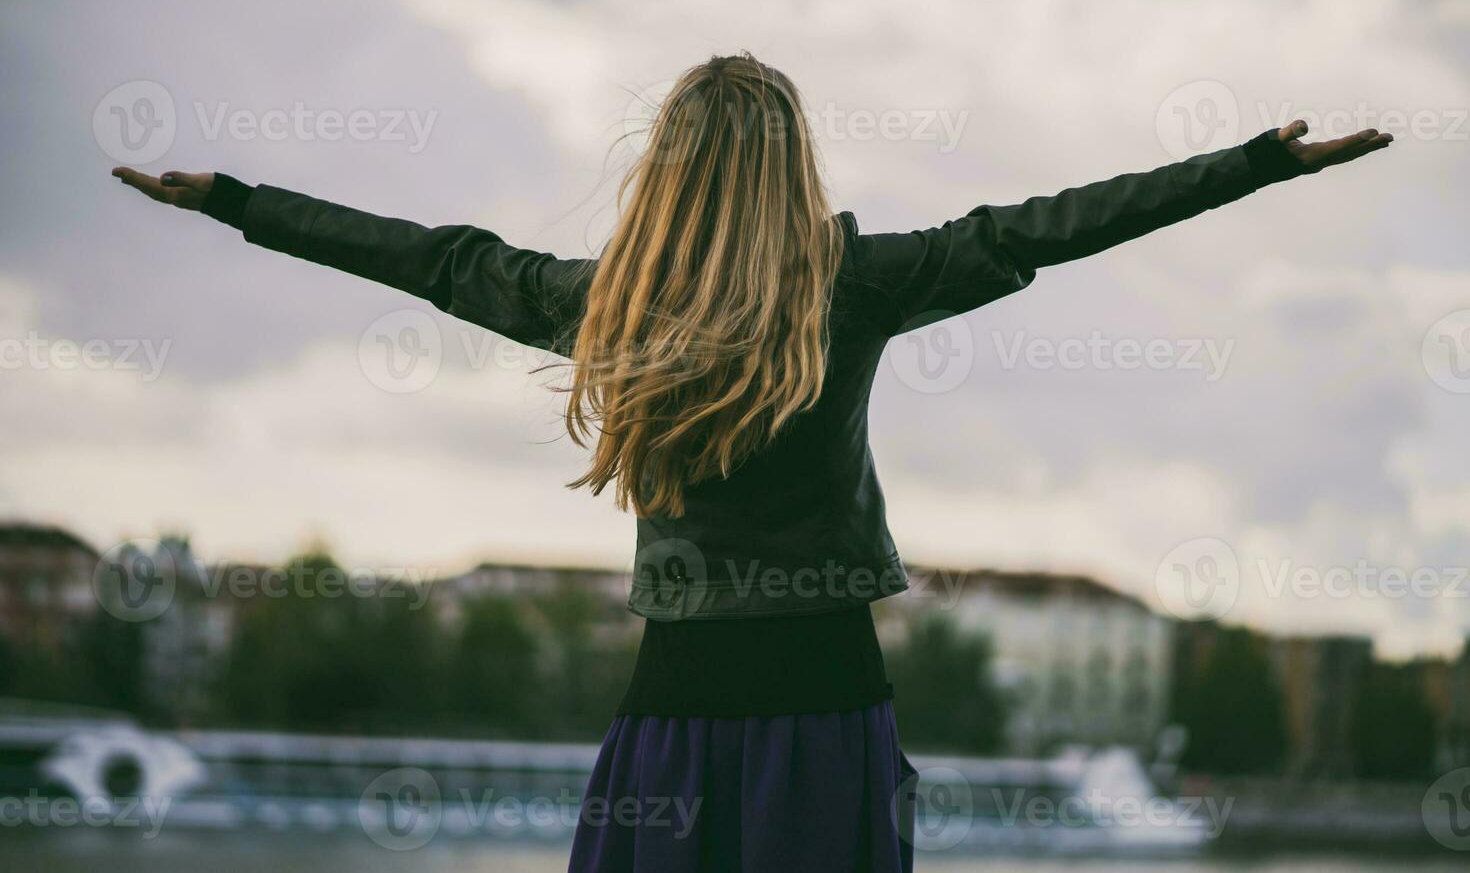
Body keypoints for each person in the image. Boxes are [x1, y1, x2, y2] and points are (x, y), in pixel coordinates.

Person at [113, 53, 1393, 872]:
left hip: (672, 711)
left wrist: (236, 199)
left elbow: (429, 257)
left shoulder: (598, 302)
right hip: (830, 703)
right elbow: (1055, 227)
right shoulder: (857, 283)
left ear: (667, 173)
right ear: (792, 167)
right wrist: (1258, 162)